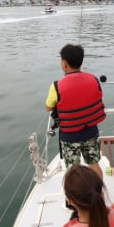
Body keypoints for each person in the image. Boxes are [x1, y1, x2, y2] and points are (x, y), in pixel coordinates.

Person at [45, 44, 106, 179]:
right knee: (94, 164)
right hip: (91, 131)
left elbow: (48, 107)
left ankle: (75, 198)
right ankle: (99, 193)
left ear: (65, 64)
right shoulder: (94, 79)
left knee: (74, 171)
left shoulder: (56, 86)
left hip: (70, 136)